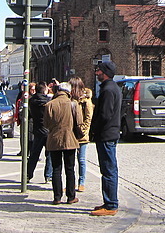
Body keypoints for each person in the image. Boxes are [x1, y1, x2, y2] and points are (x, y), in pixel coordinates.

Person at [90, 61, 121, 216]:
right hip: (109, 134)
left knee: (108, 169)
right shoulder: (112, 88)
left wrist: (94, 130)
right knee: (108, 169)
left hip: (106, 135)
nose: (96, 73)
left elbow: (105, 115)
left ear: (106, 72)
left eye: (99, 71)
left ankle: (110, 205)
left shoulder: (108, 90)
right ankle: (108, 201)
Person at [43, 81, 82, 205]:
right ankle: (71, 196)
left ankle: (57, 197)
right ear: (68, 92)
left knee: (56, 169)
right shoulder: (73, 104)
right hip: (69, 139)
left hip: (54, 139)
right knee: (70, 169)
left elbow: (46, 124)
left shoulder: (50, 104)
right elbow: (79, 122)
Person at [70, 77, 94, 192]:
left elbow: (88, 118)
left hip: (81, 135)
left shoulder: (86, 101)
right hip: (71, 134)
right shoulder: (71, 100)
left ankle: (81, 182)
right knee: (70, 161)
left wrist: (82, 131)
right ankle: (71, 183)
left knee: (81, 160)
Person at [27, 82, 52, 182]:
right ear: (44, 89)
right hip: (48, 130)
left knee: (34, 154)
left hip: (37, 130)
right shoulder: (48, 101)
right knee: (49, 155)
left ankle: (28, 174)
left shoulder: (31, 101)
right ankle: (48, 175)